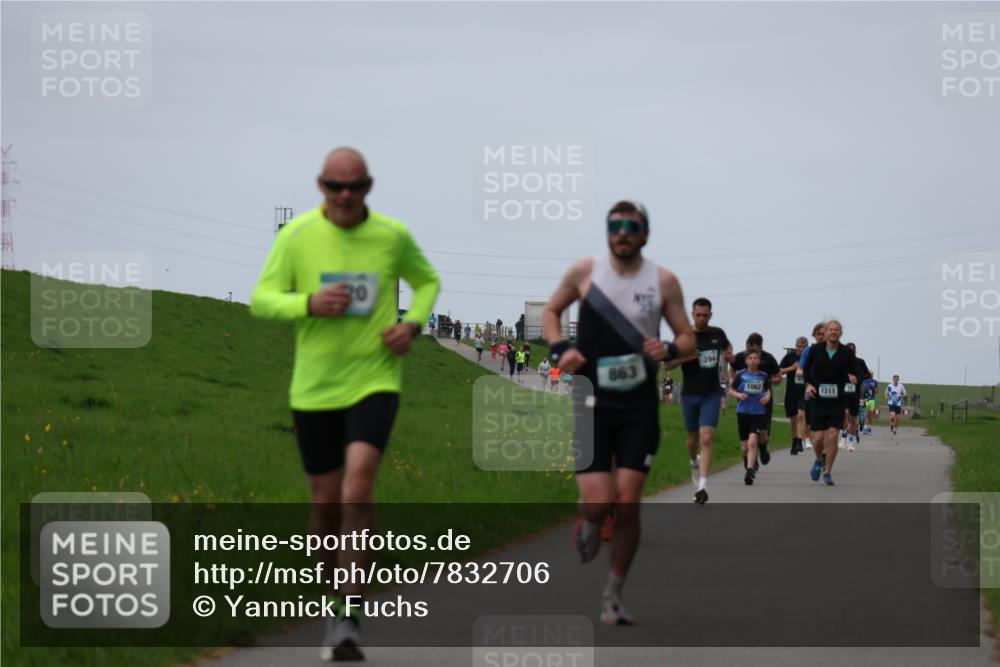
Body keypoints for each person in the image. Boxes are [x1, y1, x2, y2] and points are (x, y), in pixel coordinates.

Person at [250, 147, 440, 661]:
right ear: (321, 186)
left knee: (359, 485)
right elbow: (262, 298)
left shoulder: (391, 236)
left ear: (369, 187)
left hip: (375, 379)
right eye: (336, 187)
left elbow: (427, 282)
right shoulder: (296, 238)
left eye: (355, 186)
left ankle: (348, 615)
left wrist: (412, 325)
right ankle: (334, 595)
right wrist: (306, 303)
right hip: (314, 388)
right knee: (324, 508)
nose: (346, 196)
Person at [542, 200, 694, 625]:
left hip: (638, 405)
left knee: (627, 504)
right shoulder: (584, 273)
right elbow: (552, 311)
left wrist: (667, 348)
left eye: (631, 226)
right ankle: (590, 522)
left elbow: (687, 338)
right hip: (591, 399)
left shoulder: (663, 281)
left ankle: (612, 593)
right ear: (607, 232)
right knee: (596, 505)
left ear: (645, 233)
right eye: (615, 226)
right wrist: (560, 349)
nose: (622, 232)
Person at [663, 297, 731, 504]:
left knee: (707, 438)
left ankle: (702, 486)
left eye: (705, 315)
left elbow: (727, 348)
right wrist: (687, 357)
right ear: (692, 315)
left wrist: (730, 355)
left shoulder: (717, 334)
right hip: (690, 394)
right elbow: (667, 365)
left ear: (710, 315)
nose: (701, 318)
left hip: (711, 393)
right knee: (692, 439)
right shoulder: (684, 337)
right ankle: (694, 462)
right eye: (698, 315)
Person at [801, 320, 857, 486]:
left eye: (836, 330)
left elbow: (858, 372)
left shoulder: (846, 352)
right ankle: (819, 459)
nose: (833, 332)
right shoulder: (815, 350)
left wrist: (854, 377)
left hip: (838, 400)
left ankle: (827, 472)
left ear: (840, 333)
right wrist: (808, 385)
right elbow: (803, 371)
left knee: (833, 435)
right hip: (818, 398)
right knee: (818, 439)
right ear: (825, 333)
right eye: (830, 329)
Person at [729, 333, 782, 467]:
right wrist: (733, 384)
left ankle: (763, 448)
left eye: (756, 351)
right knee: (748, 437)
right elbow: (732, 370)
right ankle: (751, 460)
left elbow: (778, 377)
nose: (753, 356)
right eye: (749, 348)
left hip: (763, 402)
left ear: (761, 347)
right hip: (745, 401)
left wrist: (769, 382)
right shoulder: (741, 357)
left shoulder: (769, 358)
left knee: (763, 435)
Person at [729, 350, 772, 485]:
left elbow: (768, 390)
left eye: (755, 358)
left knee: (752, 442)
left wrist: (767, 398)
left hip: (758, 413)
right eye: (750, 358)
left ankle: (749, 471)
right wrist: (738, 395)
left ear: (759, 361)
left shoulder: (763, 376)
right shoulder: (741, 375)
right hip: (743, 413)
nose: (753, 360)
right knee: (744, 447)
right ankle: (747, 461)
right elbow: (730, 389)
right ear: (746, 361)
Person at [795, 322, 827, 451]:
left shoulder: (835, 350)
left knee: (828, 424)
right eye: (818, 334)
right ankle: (808, 440)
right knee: (806, 416)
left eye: (823, 334)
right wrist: (799, 371)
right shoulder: (809, 351)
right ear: (814, 336)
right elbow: (801, 367)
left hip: (829, 389)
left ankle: (824, 448)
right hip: (811, 387)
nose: (820, 336)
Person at [779, 337, 808, 454]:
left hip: (803, 391)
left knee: (801, 415)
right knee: (793, 419)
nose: (801, 349)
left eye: (803, 347)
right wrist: (792, 368)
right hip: (791, 391)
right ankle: (795, 440)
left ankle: (800, 440)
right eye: (799, 346)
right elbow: (779, 371)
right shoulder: (789, 357)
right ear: (795, 346)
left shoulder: (808, 357)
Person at [840, 342, 870, 451]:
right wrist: (847, 375)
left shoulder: (860, 362)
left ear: (855, 351)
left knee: (853, 418)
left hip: (855, 393)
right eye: (848, 350)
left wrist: (858, 377)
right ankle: (843, 438)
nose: (850, 352)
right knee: (845, 414)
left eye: (852, 350)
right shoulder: (840, 362)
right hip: (843, 393)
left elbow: (867, 374)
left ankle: (850, 441)